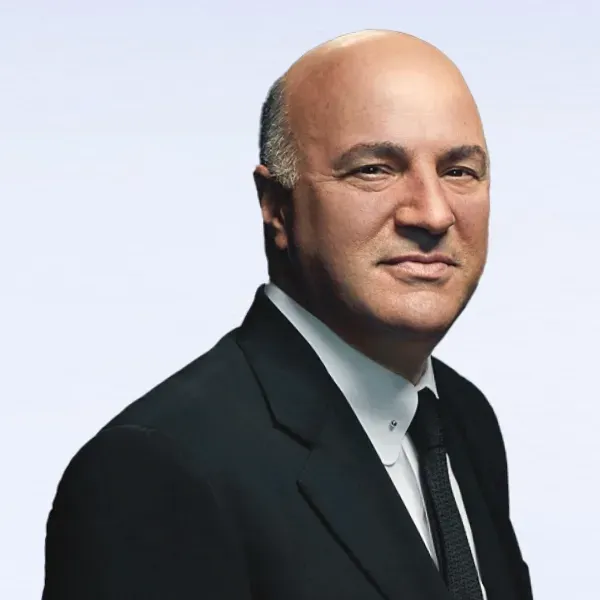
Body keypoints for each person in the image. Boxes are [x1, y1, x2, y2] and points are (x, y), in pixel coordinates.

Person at [42, 30, 534, 600]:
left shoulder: (462, 418)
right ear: (275, 206)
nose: (432, 212)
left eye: (460, 171)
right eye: (374, 169)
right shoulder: (157, 468)